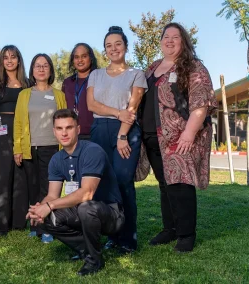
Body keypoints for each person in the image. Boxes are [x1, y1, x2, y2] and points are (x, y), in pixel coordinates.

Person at [138, 22, 217, 252]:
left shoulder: (193, 67)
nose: (169, 40)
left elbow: (201, 104)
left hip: (179, 137)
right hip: (153, 137)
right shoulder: (152, 68)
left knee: (181, 184)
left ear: (184, 41)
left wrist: (188, 134)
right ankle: (170, 228)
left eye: (175, 37)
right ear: (161, 41)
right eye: (166, 37)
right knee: (165, 184)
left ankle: (186, 235)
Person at [27, 109, 124, 276]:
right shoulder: (57, 159)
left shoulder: (92, 151)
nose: (64, 133)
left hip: (111, 214)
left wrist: (49, 205)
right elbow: (52, 195)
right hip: (82, 211)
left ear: (78, 129)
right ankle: (86, 250)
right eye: (59, 128)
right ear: (54, 131)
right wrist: (40, 208)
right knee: (47, 217)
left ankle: (95, 261)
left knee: (86, 207)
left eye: (69, 127)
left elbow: (87, 194)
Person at [87, 26, 147, 253]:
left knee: (123, 181)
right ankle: (112, 234)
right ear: (105, 50)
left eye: (117, 44)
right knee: (104, 183)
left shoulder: (136, 74)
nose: (113, 49)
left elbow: (132, 108)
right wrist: (116, 112)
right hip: (99, 129)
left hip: (126, 130)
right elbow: (91, 105)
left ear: (125, 46)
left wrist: (122, 134)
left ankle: (128, 239)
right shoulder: (96, 74)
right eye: (108, 45)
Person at [13, 53, 67, 243]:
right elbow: (18, 123)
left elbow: (65, 122)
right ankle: (35, 227)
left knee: (49, 189)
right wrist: (17, 148)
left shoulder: (59, 95)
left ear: (50, 70)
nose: (42, 69)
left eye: (45, 65)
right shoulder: (24, 95)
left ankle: (48, 228)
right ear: (32, 70)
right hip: (30, 149)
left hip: (53, 148)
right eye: (38, 66)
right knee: (33, 189)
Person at [0, 45, 30, 236]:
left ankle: (18, 222)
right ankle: (0, 223)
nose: (9, 61)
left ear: (19, 60)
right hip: (0, 134)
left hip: (23, 134)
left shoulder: (28, 83)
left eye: (13, 57)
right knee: (2, 177)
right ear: (2, 61)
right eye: (6, 57)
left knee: (21, 176)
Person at [62, 43, 97, 140]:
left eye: (84, 56)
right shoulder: (67, 82)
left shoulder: (99, 78)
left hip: (95, 134)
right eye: (76, 57)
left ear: (91, 58)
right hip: (72, 135)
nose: (80, 60)